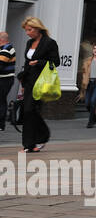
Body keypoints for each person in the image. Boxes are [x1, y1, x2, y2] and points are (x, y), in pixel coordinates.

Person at [18, 17, 59, 153]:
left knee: (30, 110)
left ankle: (41, 136)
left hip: (41, 82)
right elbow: (26, 63)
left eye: (29, 30)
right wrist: (23, 83)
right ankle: (29, 144)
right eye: (26, 30)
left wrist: (39, 62)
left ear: (37, 28)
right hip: (29, 80)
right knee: (27, 111)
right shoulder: (30, 42)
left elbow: (56, 62)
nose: (27, 33)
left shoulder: (49, 43)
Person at [0, 32, 17, 132]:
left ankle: (1, 124)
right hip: (4, 79)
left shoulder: (6, 49)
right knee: (1, 100)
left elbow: (1, 65)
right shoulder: (4, 49)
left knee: (1, 101)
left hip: (4, 79)